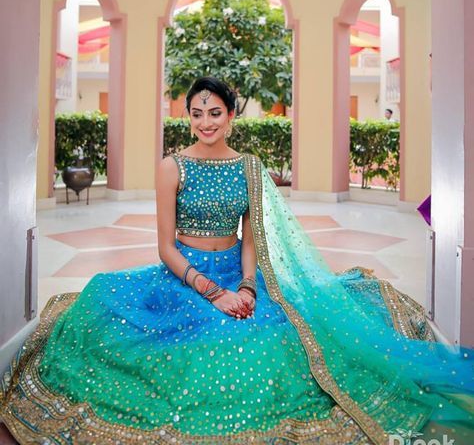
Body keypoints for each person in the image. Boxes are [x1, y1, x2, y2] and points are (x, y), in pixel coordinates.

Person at [1, 76, 473, 445]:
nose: (206, 122)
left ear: (230, 116)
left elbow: (251, 237)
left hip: (238, 272)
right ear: (188, 117)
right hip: (184, 276)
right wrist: (212, 291)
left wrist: (246, 286)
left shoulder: (249, 166)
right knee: (117, 327)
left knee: (281, 340)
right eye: (197, 113)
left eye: (215, 113)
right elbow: (164, 247)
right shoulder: (172, 166)